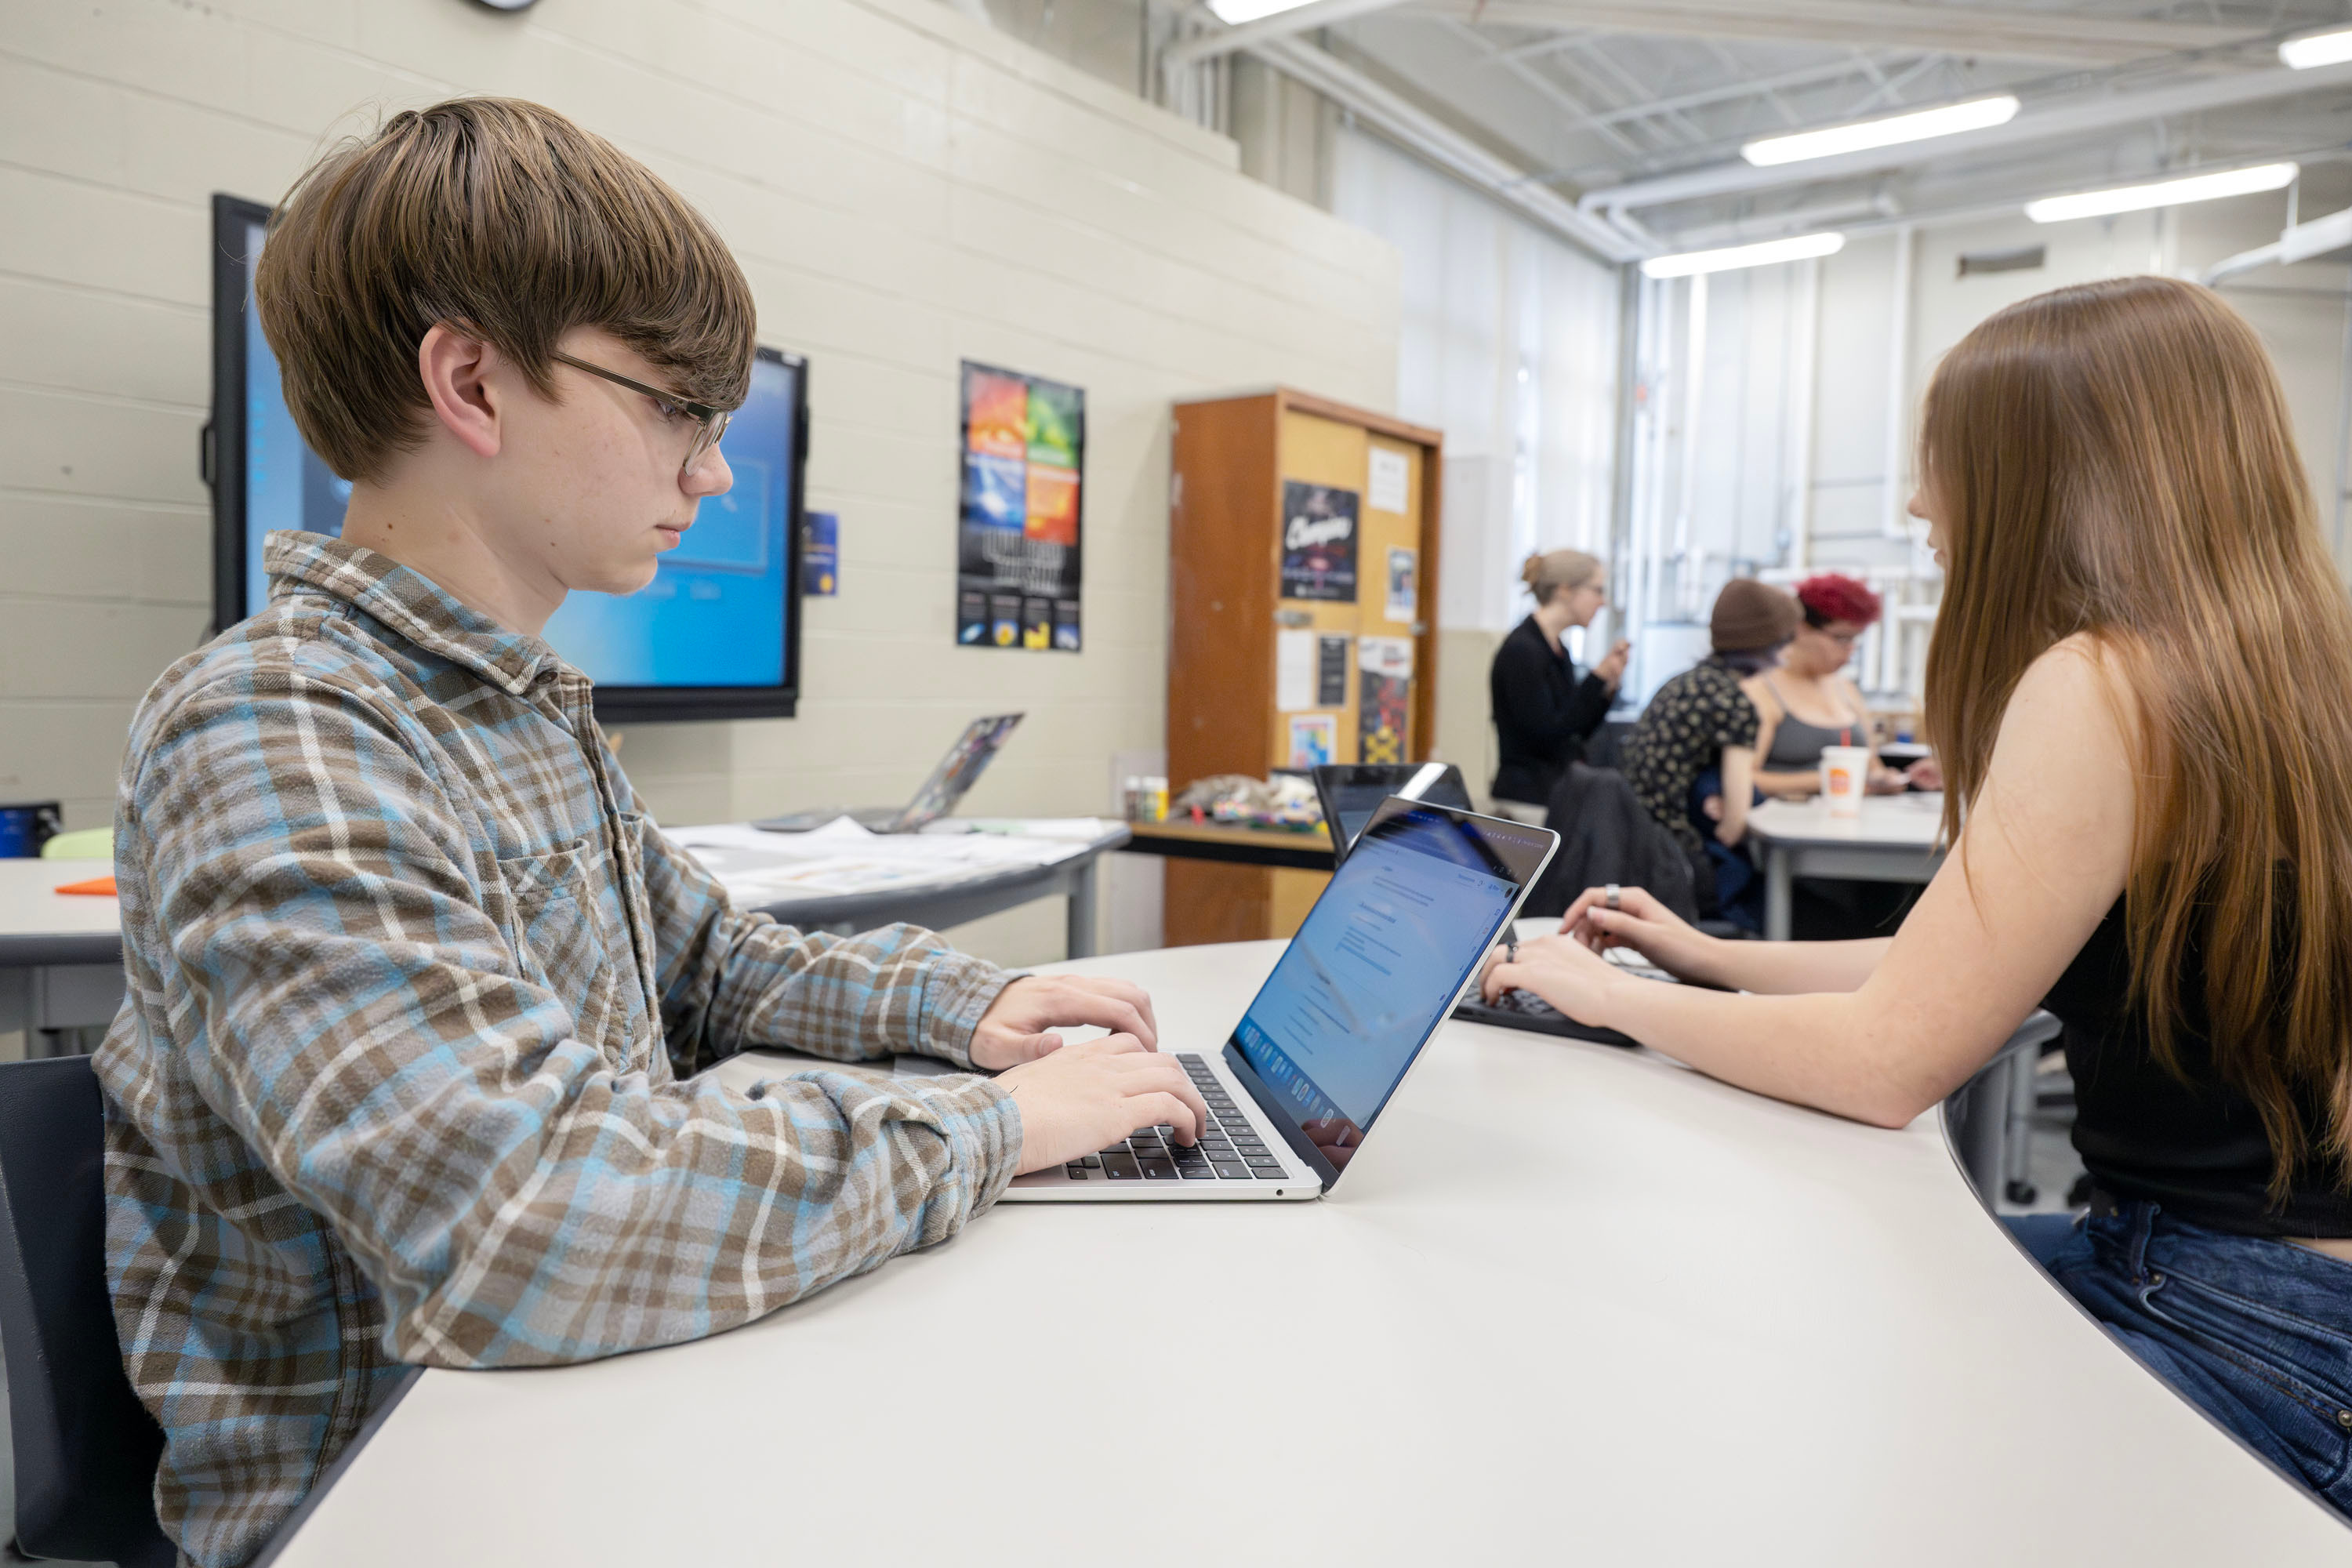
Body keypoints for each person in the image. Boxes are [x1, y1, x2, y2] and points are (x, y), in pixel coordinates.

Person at [94, 100, 1209, 1568]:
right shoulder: (274, 729)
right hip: (390, 1495)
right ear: (473, 383)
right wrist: (988, 1131)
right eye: (677, 408)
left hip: (592, 1408)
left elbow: (705, 965)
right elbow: (522, 1226)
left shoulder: (521, 703)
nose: (717, 469)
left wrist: (966, 1006)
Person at [1485, 275, 2352, 1520]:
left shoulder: (2102, 682)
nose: (1913, 502)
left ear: (2047, 471)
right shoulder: (2278, 672)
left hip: (2228, 1312)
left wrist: (1602, 997)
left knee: (1776, 1412)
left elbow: (1890, 1057)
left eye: (1937, 462)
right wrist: (1696, 955)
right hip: (2291, 1304)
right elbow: (1959, 961)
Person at [1617, 579, 1798, 919]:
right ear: (1768, 642)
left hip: (1639, 851)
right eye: (1788, 639)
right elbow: (1733, 827)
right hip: (1683, 864)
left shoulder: (1680, 684)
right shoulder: (1734, 704)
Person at [1487, 549, 1630, 822]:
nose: (1602, 602)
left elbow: (1576, 731)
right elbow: (1547, 733)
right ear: (1565, 591)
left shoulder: (1557, 649)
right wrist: (1595, 680)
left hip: (1556, 792)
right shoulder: (1523, 650)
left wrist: (1607, 687)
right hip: (1527, 799)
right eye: (1597, 590)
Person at [1746, 572, 1907, 798]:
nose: (1850, 649)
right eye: (1841, 638)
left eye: (1855, 639)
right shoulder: (1761, 690)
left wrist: (1886, 779)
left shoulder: (1846, 689)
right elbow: (1745, 778)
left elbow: (1873, 768)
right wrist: (1834, 778)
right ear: (1801, 627)